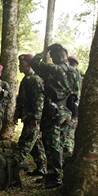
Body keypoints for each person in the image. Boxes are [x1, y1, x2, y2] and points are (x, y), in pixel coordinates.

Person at [29, 43, 76, 188]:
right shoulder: (76, 72)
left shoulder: (54, 69)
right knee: (62, 144)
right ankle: (58, 174)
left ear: (54, 56)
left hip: (54, 113)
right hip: (68, 111)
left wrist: (44, 51)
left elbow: (34, 63)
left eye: (51, 56)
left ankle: (54, 177)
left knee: (52, 145)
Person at [16, 54, 47, 176]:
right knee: (36, 145)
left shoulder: (36, 80)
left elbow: (39, 100)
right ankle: (42, 168)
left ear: (29, 64)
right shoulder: (26, 80)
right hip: (27, 117)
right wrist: (17, 114)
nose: (20, 66)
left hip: (33, 118)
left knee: (25, 143)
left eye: (22, 64)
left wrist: (36, 117)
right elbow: (21, 99)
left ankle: (14, 166)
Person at [63, 55, 84, 162]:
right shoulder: (82, 75)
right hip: (76, 106)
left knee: (67, 132)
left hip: (66, 106)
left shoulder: (67, 73)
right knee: (71, 131)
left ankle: (67, 155)